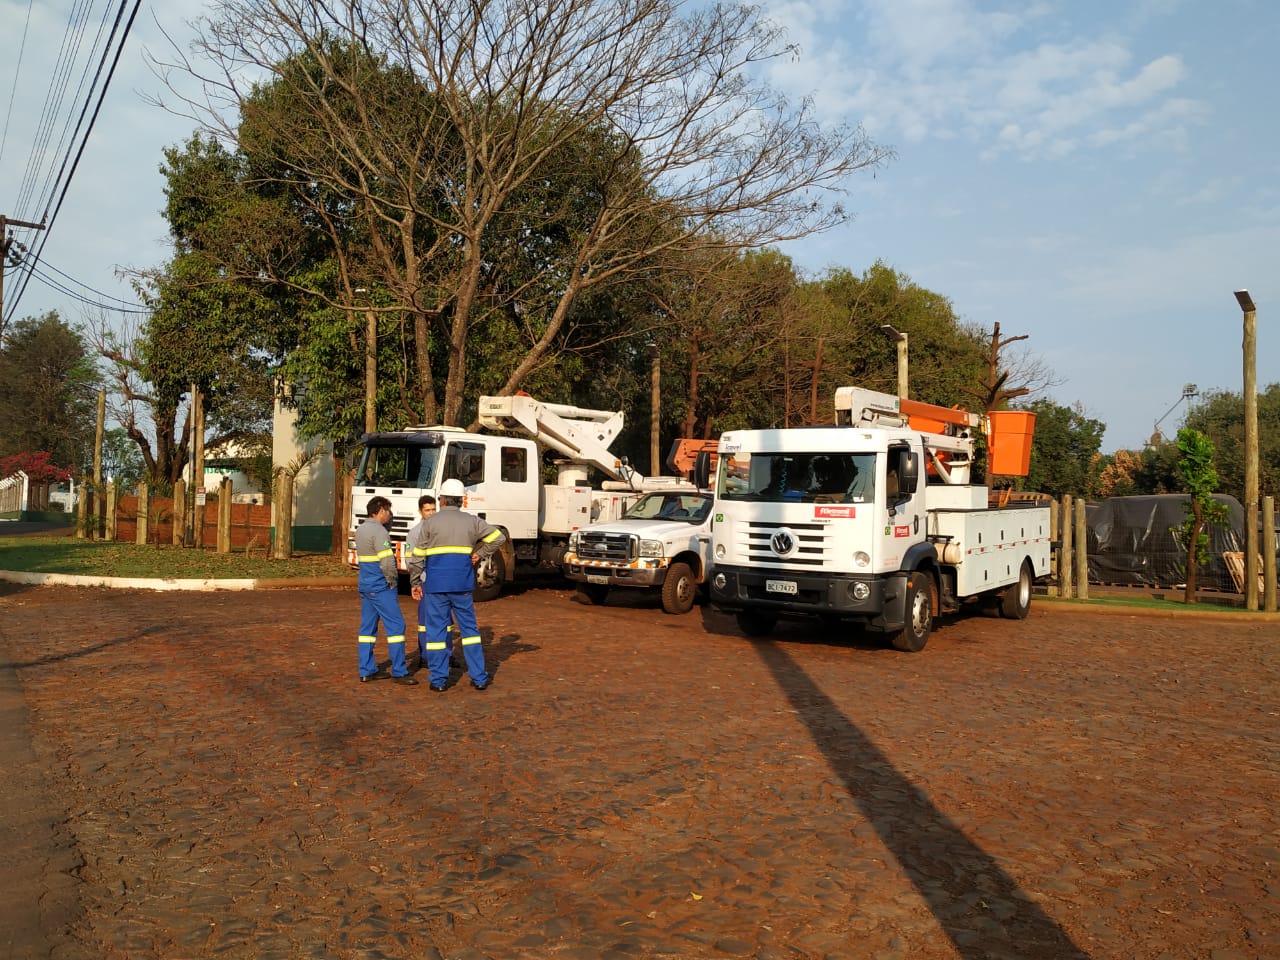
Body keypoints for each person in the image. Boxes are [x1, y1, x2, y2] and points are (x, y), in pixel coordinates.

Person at [414, 478, 507, 692]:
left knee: (436, 634)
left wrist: (415, 581)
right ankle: (479, 678)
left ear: (442, 500)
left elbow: (417, 556)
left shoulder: (430, 523)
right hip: (462, 585)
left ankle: (438, 681)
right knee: (470, 631)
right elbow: (499, 538)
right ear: (462, 500)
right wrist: (480, 554)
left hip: (436, 586)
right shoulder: (472, 522)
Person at [354, 495, 417, 686]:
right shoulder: (379, 532)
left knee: (367, 629)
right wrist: (392, 580)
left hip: (366, 585)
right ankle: (399, 670)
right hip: (381, 586)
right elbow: (387, 561)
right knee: (396, 626)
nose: (390, 515)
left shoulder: (361, 529)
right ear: (381, 510)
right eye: (388, 511)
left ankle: (366, 670)